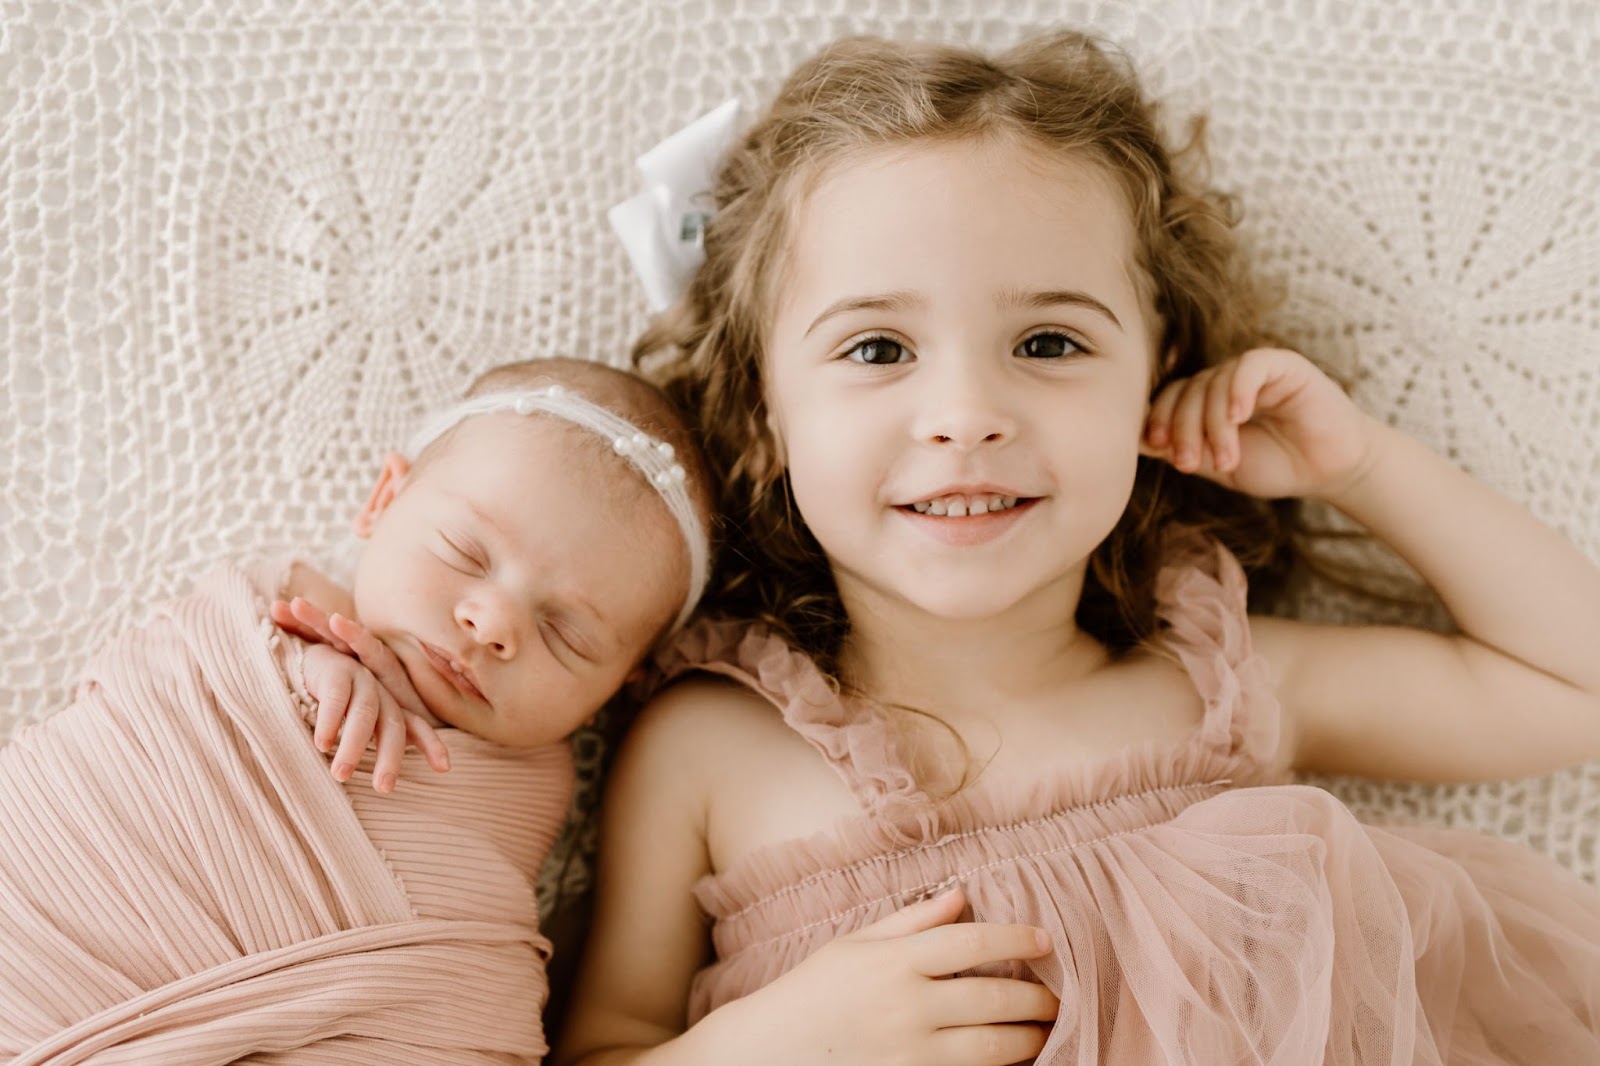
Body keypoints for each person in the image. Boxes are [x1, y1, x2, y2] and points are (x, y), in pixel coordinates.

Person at [553, 30, 1600, 1066]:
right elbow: (599, 1045)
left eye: (1048, 343)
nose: (965, 414)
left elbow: (1573, 683)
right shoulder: (710, 753)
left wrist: (1359, 467)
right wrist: (769, 1045)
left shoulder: (1213, 685)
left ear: (1154, 374)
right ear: (762, 416)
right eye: (877, 348)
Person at [0, 356, 712, 1064]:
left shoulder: (533, 790)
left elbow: (458, 986)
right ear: (383, 501)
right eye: (465, 552)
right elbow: (160, 690)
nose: (492, 621)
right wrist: (303, 675)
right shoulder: (269, 614)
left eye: (567, 634)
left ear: (621, 687)